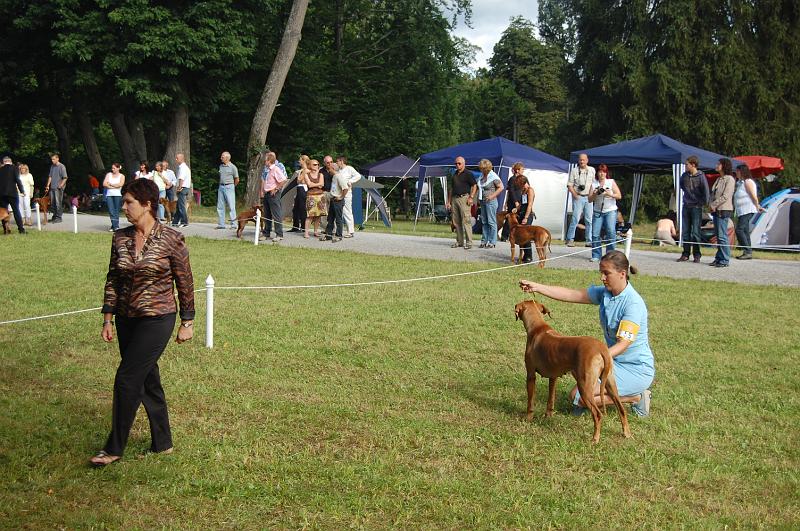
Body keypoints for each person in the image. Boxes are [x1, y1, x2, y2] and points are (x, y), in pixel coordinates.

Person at [90, 178, 194, 467]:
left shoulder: (171, 238)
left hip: (158, 317)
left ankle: (114, 447)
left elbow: (184, 281)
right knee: (148, 379)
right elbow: (113, 278)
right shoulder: (120, 237)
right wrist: (108, 317)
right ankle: (163, 442)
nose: (124, 207)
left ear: (147, 205)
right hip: (126, 318)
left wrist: (188, 321)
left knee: (127, 378)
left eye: (129, 202)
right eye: (124, 202)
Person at [519, 250, 654, 417]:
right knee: (581, 386)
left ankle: (637, 396)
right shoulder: (606, 293)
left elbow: (623, 345)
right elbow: (572, 294)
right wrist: (537, 287)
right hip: (613, 362)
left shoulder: (633, 304)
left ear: (622, 274)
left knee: (578, 397)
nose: (602, 278)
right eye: (601, 273)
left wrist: (593, 356)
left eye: (606, 273)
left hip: (635, 368)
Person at [677, 155, 710, 263]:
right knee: (685, 232)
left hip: (696, 207)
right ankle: (685, 253)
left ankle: (697, 254)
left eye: (687, 164)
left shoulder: (701, 176)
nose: (685, 166)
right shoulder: (684, 176)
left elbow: (705, 191)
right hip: (686, 206)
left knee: (696, 232)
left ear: (693, 165)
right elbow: (682, 185)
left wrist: (703, 203)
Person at [587, 164, 622, 262]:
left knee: (610, 231)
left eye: (603, 172)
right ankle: (596, 255)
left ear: (606, 173)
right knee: (595, 234)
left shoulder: (611, 182)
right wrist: (594, 193)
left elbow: (619, 195)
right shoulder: (594, 184)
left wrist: (609, 193)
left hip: (610, 210)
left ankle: (610, 256)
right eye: (600, 172)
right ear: (597, 173)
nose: (601, 174)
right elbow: (589, 200)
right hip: (598, 211)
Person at [708, 158, 736, 267]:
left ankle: (724, 259)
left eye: (718, 164)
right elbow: (714, 194)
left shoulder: (730, 179)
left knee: (722, 235)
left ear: (724, 166)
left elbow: (726, 196)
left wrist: (714, 204)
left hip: (723, 209)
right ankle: (719, 257)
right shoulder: (719, 179)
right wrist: (711, 204)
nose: (716, 165)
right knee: (718, 235)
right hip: (716, 210)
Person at [733, 164, 764, 260]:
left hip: (748, 209)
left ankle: (747, 250)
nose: (736, 173)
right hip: (742, 210)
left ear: (742, 172)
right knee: (745, 231)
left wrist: (757, 206)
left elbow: (753, 196)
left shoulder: (748, 182)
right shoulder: (741, 182)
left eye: (737, 171)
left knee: (739, 230)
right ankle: (747, 252)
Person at [446, 156, 477, 249]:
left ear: (464, 164)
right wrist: (448, 201)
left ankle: (469, 243)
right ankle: (459, 241)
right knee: (456, 221)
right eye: (456, 163)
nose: (457, 165)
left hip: (464, 198)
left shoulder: (468, 174)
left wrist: (471, 197)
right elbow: (451, 189)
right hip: (455, 199)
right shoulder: (454, 174)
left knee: (466, 220)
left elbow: (474, 186)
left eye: (459, 163)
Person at [565, 153, 594, 247]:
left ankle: (589, 240)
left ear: (587, 160)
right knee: (575, 218)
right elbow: (569, 185)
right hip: (578, 196)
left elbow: (593, 184)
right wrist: (575, 195)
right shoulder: (574, 170)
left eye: (583, 160)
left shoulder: (592, 170)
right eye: (580, 160)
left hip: (588, 197)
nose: (582, 161)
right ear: (578, 160)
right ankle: (570, 239)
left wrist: (591, 196)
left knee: (589, 220)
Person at [476, 159, 504, 249]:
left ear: (487, 168)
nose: (481, 170)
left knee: (491, 221)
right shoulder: (481, 176)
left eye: (483, 168)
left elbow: (501, 187)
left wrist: (492, 196)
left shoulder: (493, 176)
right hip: (482, 201)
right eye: (480, 168)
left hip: (491, 201)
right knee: (484, 221)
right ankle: (484, 240)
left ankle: (492, 241)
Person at [259, 151, 287, 242]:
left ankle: (279, 234)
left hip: (273, 194)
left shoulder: (276, 169)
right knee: (267, 214)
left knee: (276, 214)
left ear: (269, 160)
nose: (264, 161)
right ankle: (266, 233)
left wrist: (276, 189)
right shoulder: (268, 170)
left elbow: (283, 180)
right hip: (267, 194)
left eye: (265, 160)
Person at [322, 160, 349, 242]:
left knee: (338, 219)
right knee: (330, 218)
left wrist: (341, 197)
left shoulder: (339, 177)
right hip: (333, 200)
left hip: (338, 201)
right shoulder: (334, 176)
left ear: (333, 168)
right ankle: (328, 235)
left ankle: (338, 235)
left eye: (329, 168)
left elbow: (345, 188)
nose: (328, 170)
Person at [335, 155, 362, 238]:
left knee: (347, 211)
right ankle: (337, 230)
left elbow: (358, 176)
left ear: (342, 161)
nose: (336, 163)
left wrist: (350, 181)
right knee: (338, 212)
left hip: (347, 193)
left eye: (337, 161)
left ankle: (350, 231)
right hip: (338, 193)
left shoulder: (349, 168)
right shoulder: (338, 170)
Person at [0, 156, 26, 233]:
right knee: (16, 210)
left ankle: (5, 230)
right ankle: (21, 230)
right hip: (12, 193)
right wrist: (22, 190)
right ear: (10, 162)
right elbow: (18, 180)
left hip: (2, 194)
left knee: (3, 212)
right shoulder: (15, 168)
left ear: (4, 162)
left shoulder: (0, 169)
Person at [216, 151, 239, 229]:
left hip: (229, 187)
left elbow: (237, 179)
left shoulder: (233, 167)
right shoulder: (221, 166)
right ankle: (221, 224)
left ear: (227, 158)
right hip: (221, 187)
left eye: (222, 157)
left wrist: (232, 186)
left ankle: (234, 224)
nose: (221, 158)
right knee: (220, 206)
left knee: (231, 206)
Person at [304, 159, 326, 238]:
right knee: (310, 215)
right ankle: (306, 232)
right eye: (314, 164)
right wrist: (317, 184)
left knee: (318, 215)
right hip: (311, 196)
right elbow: (309, 185)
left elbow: (322, 184)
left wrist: (314, 184)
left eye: (317, 164)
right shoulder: (307, 174)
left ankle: (315, 231)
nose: (316, 166)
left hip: (320, 196)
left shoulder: (321, 175)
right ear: (309, 165)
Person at [289, 155, 310, 234]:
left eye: (300, 160)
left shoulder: (306, 170)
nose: (299, 161)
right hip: (299, 188)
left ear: (304, 161)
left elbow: (300, 179)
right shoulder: (301, 170)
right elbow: (298, 181)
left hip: (303, 189)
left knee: (302, 208)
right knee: (295, 209)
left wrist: (302, 174)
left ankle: (304, 227)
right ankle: (295, 226)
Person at [45, 153, 68, 223]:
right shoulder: (52, 166)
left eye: (53, 159)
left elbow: (65, 178)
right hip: (52, 187)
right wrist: (48, 185)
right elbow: (50, 176)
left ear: (57, 159)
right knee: (53, 203)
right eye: (51, 159)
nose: (52, 160)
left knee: (58, 203)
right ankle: (54, 216)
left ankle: (59, 217)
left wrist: (61, 185)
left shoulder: (62, 166)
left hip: (58, 188)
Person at [103, 163, 125, 231]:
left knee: (116, 211)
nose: (112, 169)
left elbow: (120, 184)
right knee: (111, 210)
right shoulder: (109, 174)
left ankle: (115, 226)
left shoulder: (122, 176)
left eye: (114, 168)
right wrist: (113, 186)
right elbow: (104, 184)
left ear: (118, 168)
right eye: (112, 168)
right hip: (109, 195)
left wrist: (110, 184)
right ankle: (115, 225)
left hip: (118, 195)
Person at [173, 153, 191, 227]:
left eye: (177, 158)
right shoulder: (182, 167)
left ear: (181, 159)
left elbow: (181, 178)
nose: (176, 159)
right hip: (184, 188)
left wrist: (179, 188)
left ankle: (184, 222)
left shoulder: (183, 168)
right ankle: (175, 221)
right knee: (178, 206)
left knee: (181, 206)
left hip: (183, 188)